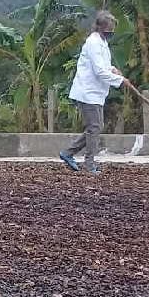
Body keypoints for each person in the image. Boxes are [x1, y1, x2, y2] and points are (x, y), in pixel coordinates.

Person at [59, 11, 129, 175]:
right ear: (100, 27)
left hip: (95, 92)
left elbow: (104, 66)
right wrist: (120, 81)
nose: (111, 32)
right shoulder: (93, 43)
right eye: (109, 28)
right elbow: (99, 71)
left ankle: (68, 153)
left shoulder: (102, 43)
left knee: (95, 127)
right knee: (95, 127)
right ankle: (89, 164)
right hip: (87, 91)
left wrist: (114, 70)